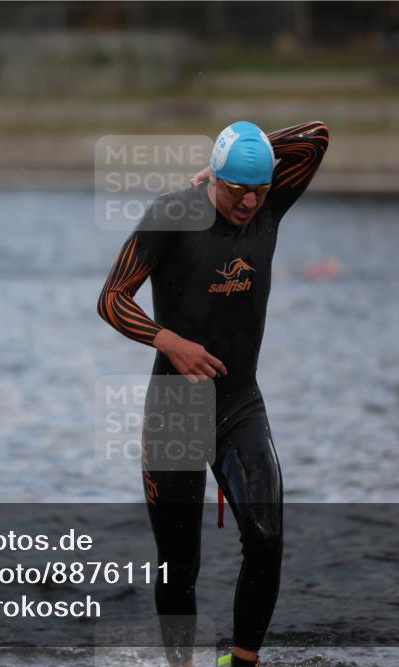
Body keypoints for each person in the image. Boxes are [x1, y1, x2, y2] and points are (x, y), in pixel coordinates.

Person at [97, 120, 330, 666]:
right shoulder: (172, 215)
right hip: (175, 409)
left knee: (267, 536)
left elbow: (317, 135)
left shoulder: (271, 203)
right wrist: (169, 341)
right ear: (213, 178)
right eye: (236, 189)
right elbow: (111, 299)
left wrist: (248, 161)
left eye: (258, 189)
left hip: (239, 403)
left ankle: (241, 662)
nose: (249, 202)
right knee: (178, 565)